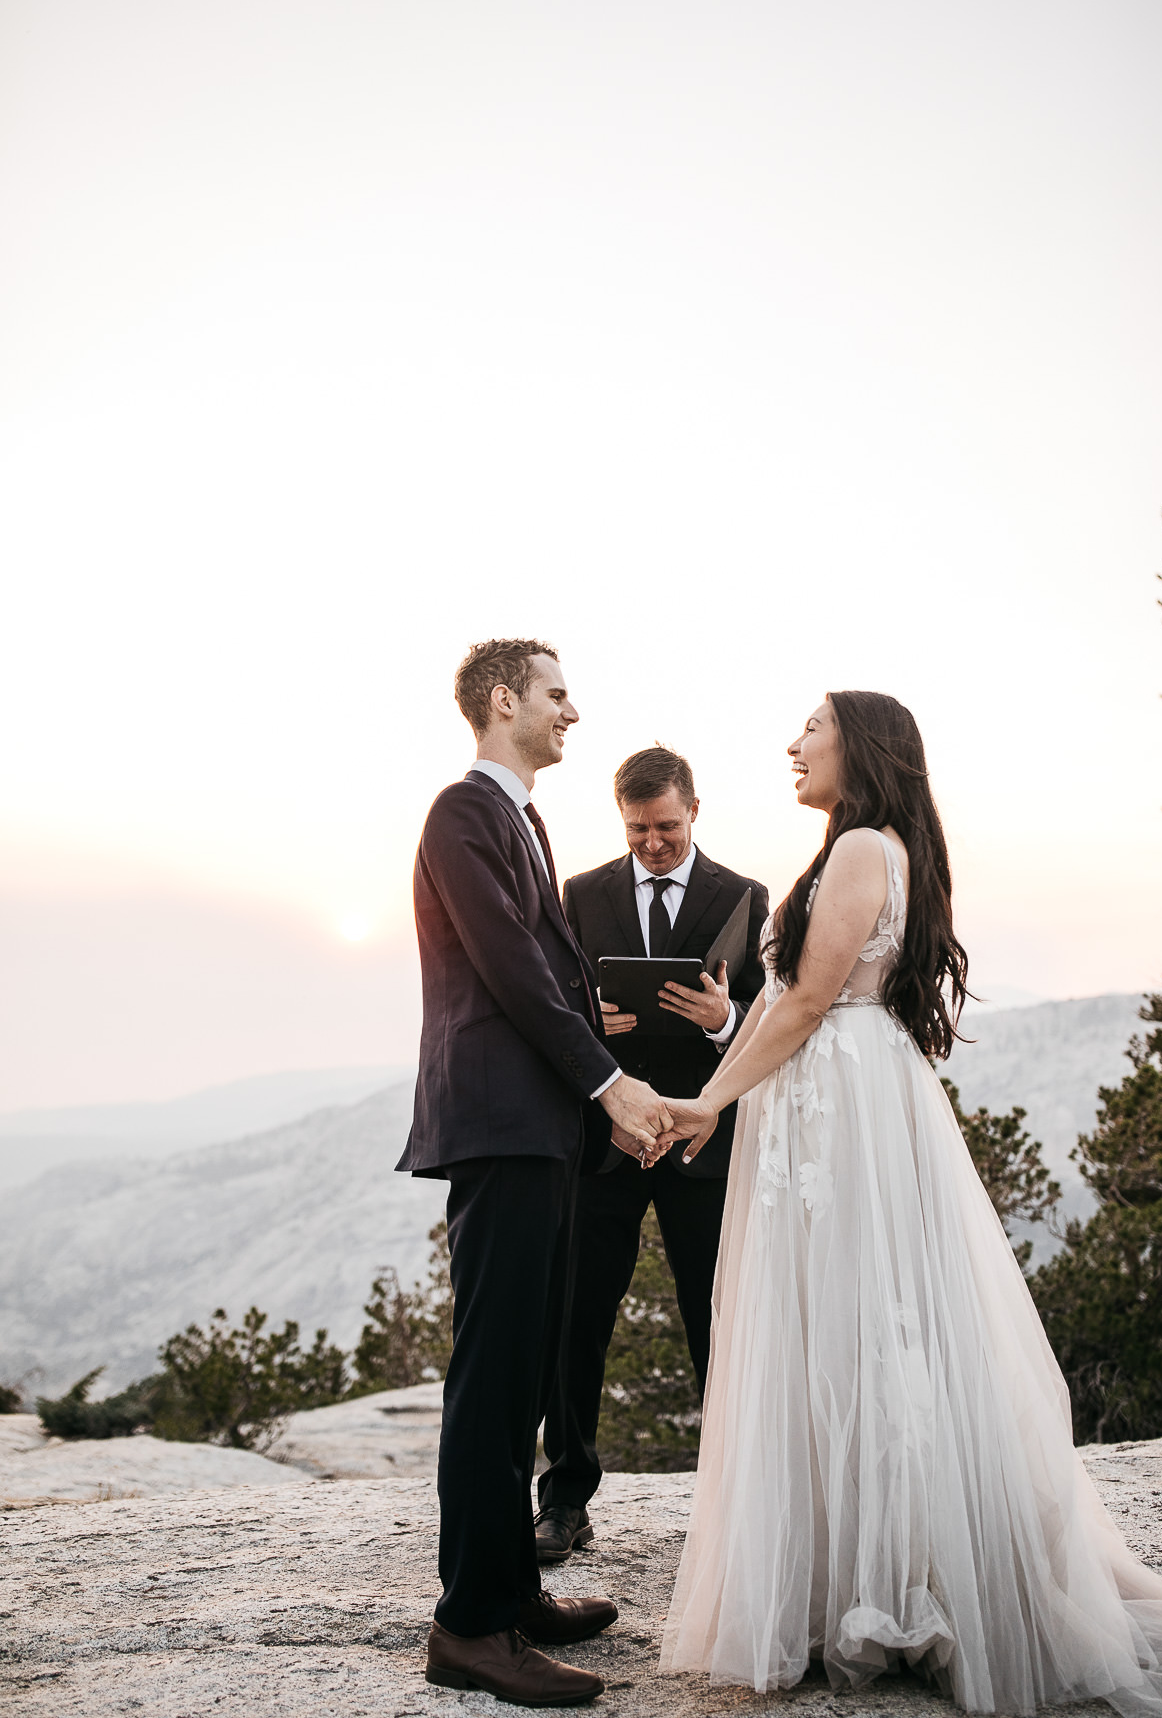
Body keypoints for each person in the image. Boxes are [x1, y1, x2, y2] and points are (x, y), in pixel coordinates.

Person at [653, 691, 1162, 1714]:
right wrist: (732, 1063)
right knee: (842, 1329)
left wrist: (708, 1102)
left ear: (857, 747)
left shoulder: (864, 849)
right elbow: (785, 998)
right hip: (830, 1100)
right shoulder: (853, 848)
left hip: (843, 1105)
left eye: (809, 728)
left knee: (864, 1331)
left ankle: (897, 1579)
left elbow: (814, 999)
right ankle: (850, 1572)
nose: (792, 743)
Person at [397, 638, 669, 1709]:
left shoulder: (523, 817)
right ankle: (468, 1626)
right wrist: (609, 1080)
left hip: (541, 1125)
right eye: (557, 693)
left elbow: (534, 967)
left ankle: (513, 1593)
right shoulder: (463, 813)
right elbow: (505, 963)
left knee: (527, 1375)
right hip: (505, 1126)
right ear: (503, 700)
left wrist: (583, 1035)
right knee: (492, 1378)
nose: (572, 710)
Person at [536, 745, 769, 1562]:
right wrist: (594, 1027)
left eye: (666, 826)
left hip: (702, 1142)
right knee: (577, 1321)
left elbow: (765, 1021)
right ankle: (564, 1500)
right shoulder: (581, 893)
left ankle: (737, 1501)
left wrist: (719, 1018)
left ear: (694, 810)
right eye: (638, 829)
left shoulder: (745, 896)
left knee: (717, 1320)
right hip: (608, 1141)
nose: (653, 843)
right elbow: (559, 1004)